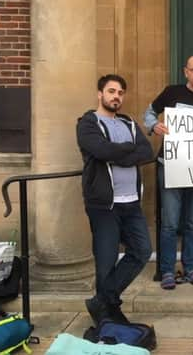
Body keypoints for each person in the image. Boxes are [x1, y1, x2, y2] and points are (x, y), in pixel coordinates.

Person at [76, 74, 153, 324]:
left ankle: (103, 302)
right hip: (104, 205)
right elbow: (100, 150)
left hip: (131, 203)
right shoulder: (88, 123)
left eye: (120, 92)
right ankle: (109, 313)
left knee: (141, 251)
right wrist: (127, 151)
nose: (116, 96)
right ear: (100, 94)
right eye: (111, 91)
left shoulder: (129, 123)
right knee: (106, 260)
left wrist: (116, 153)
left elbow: (147, 152)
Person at [144, 54, 193, 290]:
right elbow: (148, 113)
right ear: (185, 72)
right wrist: (154, 125)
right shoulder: (171, 93)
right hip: (170, 166)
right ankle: (167, 270)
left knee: (192, 222)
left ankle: (191, 269)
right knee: (169, 222)